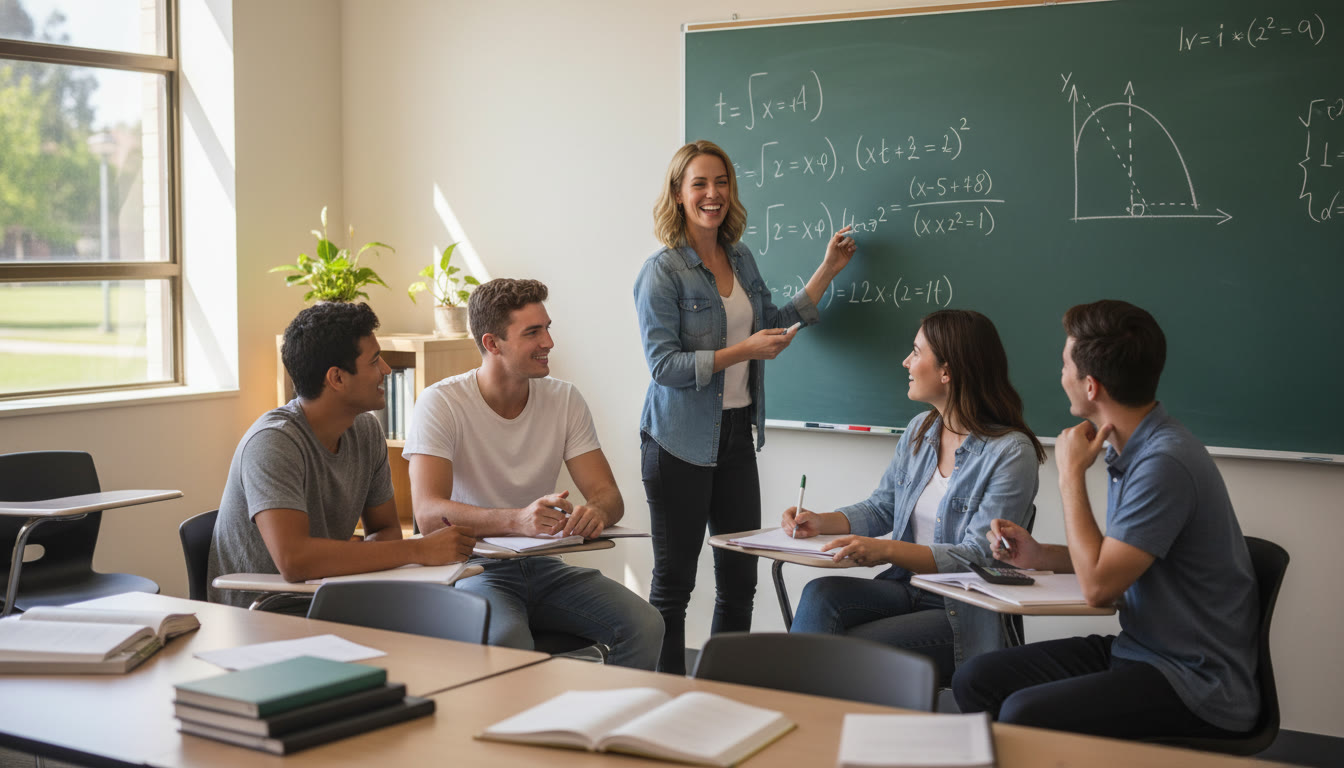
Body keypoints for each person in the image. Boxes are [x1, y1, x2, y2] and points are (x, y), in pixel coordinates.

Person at [952, 300, 1259, 740]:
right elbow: (1114, 560)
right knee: (976, 679)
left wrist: (1070, 474)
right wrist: (1041, 555)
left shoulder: (1162, 463)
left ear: (1091, 386)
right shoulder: (1131, 447)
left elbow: (1099, 588)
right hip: (1142, 651)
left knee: (1022, 711)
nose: (1060, 376)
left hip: (1193, 680)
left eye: (1064, 365)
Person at [633, 139, 858, 673]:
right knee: (674, 587)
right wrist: (742, 351)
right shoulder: (662, 272)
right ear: (679, 194)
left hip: (736, 437)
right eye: (700, 184)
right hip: (678, 443)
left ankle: (721, 696)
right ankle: (666, 702)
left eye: (722, 182)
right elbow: (664, 367)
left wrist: (826, 271)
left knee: (740, 583)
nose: (713, 194)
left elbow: (770, 322)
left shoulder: (740, 257)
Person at [405, 278, 663, 669]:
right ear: (492, 344)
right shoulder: (441, 403)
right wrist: (518, 521)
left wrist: (596, 511)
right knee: (509, 642)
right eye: (533, 332)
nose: (549, 342)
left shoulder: (565, 399)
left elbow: (609, 494)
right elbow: (427, 514)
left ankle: (611, 723)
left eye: (547, 328)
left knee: (645, 624)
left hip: (544, 565)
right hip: (475, 568)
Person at [784, 310, 1045, 680]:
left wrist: (887, 549)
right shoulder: (921, 430)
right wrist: (820, 521)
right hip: (905, 588)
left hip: (960, 609)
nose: (906, 361)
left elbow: (978, 555)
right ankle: (799, 711)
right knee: (820, 595)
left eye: (916, 352)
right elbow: (883, 507)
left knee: (846, 650)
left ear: (947, 371)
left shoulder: (1010, 452)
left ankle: (802, 717)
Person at [207, 302, 476, 610]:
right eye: (375, 361)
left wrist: (361, 556)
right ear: (336, 378)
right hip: (264, 609)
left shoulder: (366, 431)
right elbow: (294, 562)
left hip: (330, 595)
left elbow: (384, 530)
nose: (386, 370)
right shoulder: (272, 443)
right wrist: (417, 551)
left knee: (450, 615)